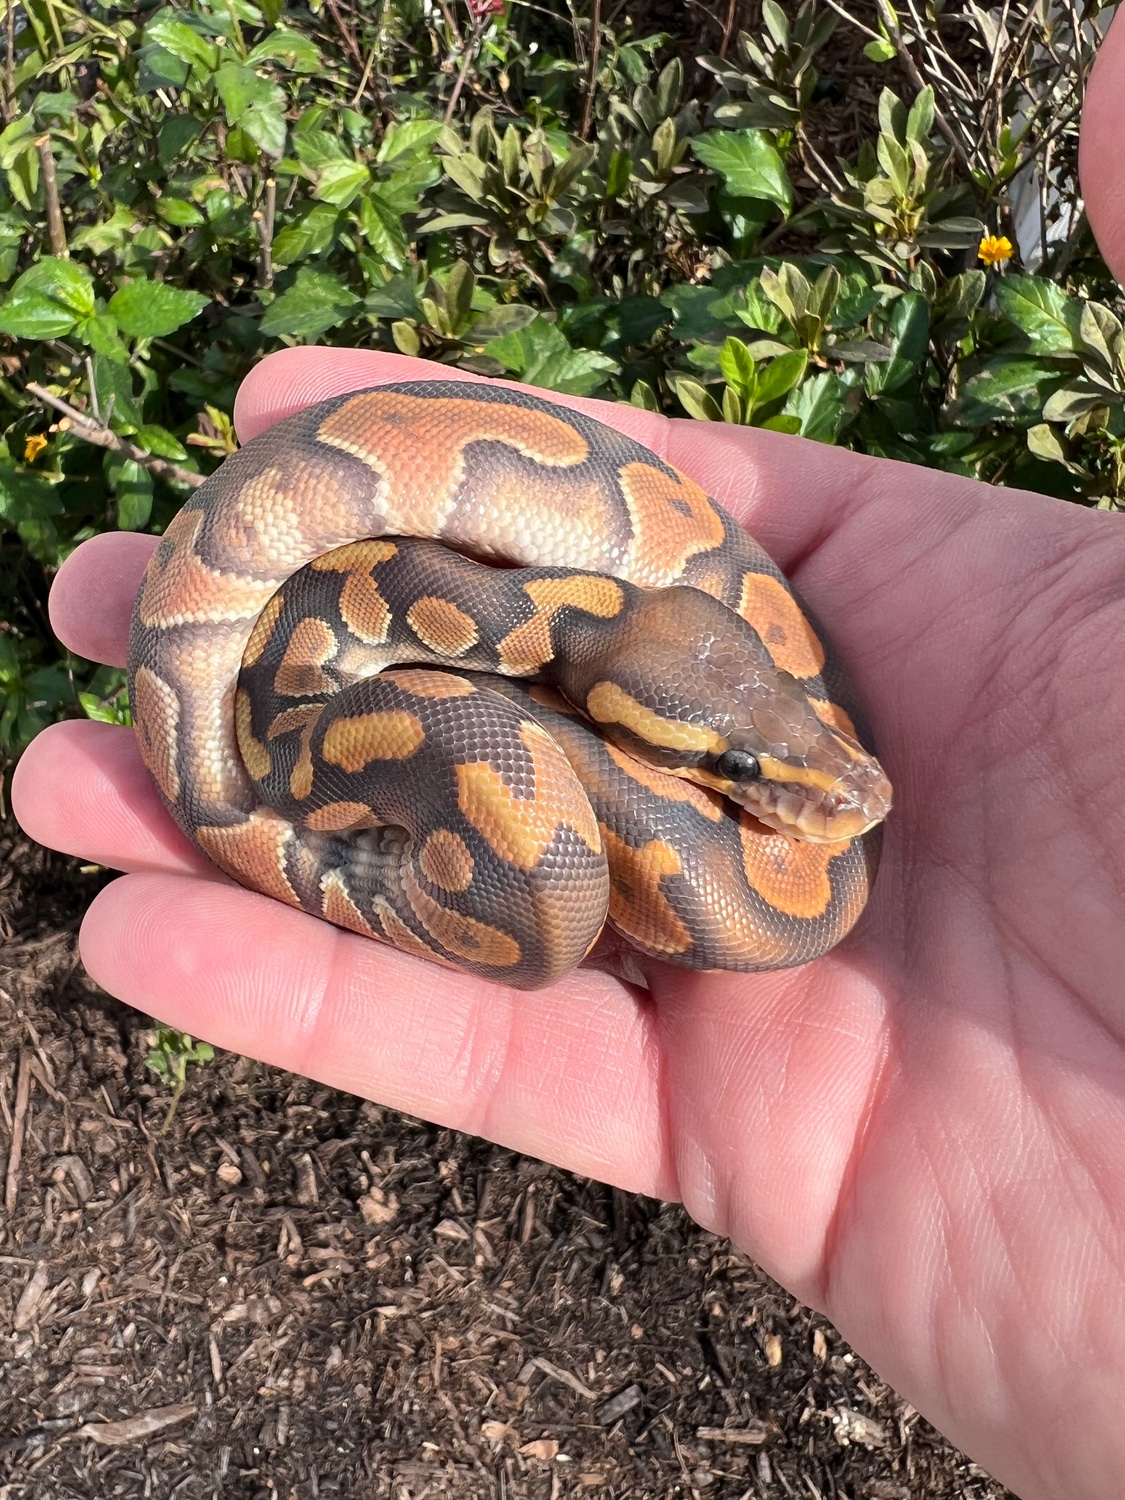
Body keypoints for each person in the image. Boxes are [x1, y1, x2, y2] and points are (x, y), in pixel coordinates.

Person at [14, 21, 1125, 1499]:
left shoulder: (642, 672)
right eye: (745, 763)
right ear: (615, 717)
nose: (824, 792)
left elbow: (722, 709)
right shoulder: (588, 652)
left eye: (776, 758)